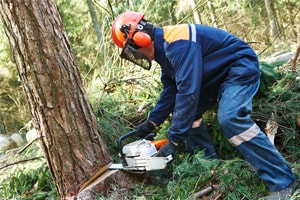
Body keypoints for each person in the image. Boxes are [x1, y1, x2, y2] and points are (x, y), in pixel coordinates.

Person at [111, 11, 297, 199]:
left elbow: (188, 93)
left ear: (140, 39)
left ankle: (283, 181)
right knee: (187, 116)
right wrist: (152, 122)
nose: (135, 56)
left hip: (238, 68)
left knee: (230, 118)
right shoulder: (164, 50)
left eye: (131, 50)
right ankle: (210, 170)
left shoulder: (178, 44)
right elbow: (171, 90)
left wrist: (173, 141)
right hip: (214, 77)